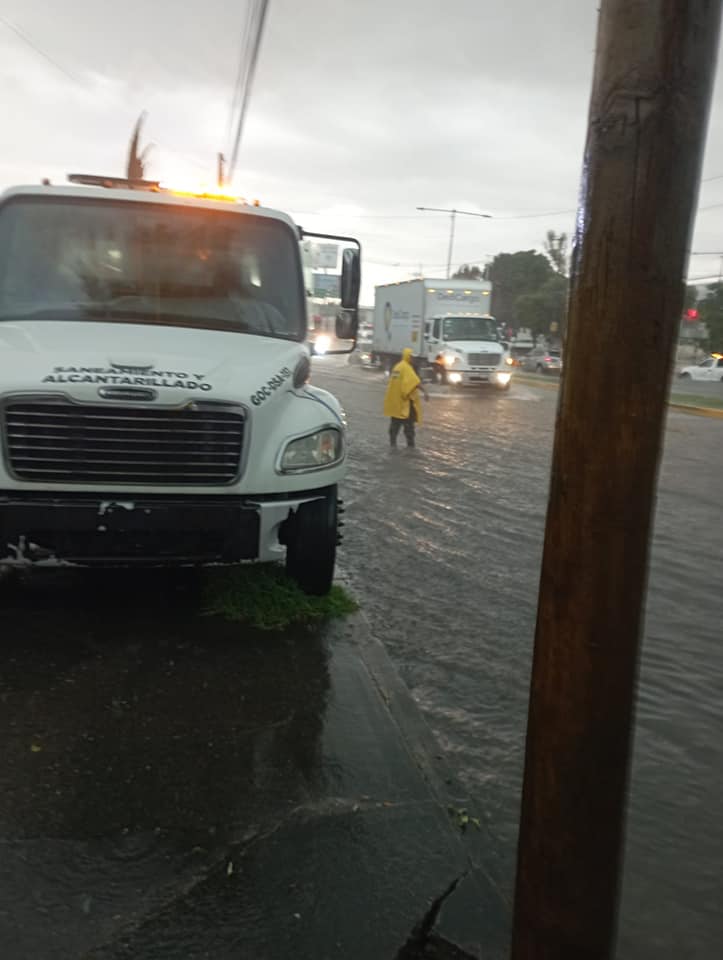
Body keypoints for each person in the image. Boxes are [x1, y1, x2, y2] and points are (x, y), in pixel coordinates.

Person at [383, 347, 429, 448]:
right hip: (406, 403)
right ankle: (411, 447)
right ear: (408, 356)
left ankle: (392, 445)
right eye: (412, 357)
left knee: (394, 425)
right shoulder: (407, 368)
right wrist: (425, 392)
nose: (414, 359)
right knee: (409, 427)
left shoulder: (397, 367)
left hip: (395, 403)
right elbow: (415, 382)